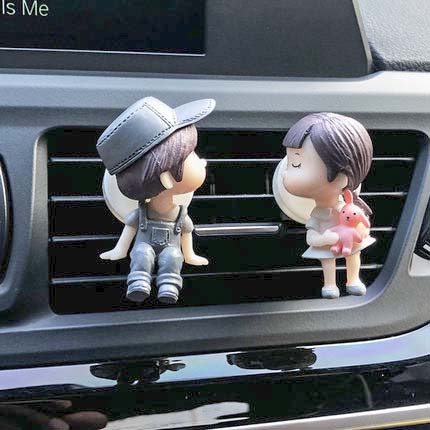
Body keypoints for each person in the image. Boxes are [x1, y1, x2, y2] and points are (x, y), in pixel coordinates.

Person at [96, 96, 215, 304]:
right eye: (189, 156)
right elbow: (130, 230)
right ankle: (138, 282)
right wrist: (120, 250)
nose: (202, 161)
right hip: (144, 245)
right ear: (166, 178)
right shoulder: (142, 212)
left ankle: (169, 285)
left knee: (173, 258)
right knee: (141, 254)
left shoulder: (181, 214)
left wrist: (189, 256)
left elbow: (186, 234)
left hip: (171, 247)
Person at [281, 112, 375, 299]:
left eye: (296, 164)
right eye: (290, 162)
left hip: (350, 242)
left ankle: (353, 280)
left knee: (353, 255)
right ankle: (330, 284)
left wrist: (361, 231)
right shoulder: (318, 214)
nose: (284, 172)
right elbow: (311, 238)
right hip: (328, 244)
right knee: (328, 261)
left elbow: (363, 226)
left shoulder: (349, 209)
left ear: (342, 176)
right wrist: (324, 239)